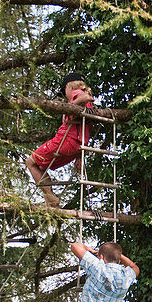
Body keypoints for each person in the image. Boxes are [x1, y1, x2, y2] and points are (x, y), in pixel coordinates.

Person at [25, 73, 94, 208]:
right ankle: (50, 200)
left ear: (69, 87)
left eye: (64, 92)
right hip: (77, 147)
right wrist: (80, 157)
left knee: (30, 162)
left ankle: (50, 198)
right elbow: (83, 129)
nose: (65, 95)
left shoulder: (77, 93)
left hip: (65, 142)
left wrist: (68, 108)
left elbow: (86, 97)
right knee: (41, 166)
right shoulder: (89, 108)